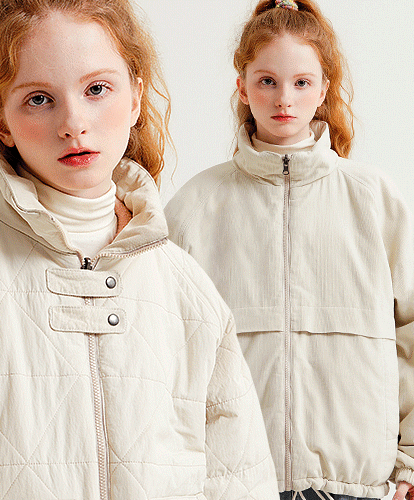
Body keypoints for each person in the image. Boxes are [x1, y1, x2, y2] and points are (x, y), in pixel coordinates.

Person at [0, 0, 279, 498]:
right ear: (0, 120)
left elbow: (239, 477)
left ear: (135, 98)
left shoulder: (185, 285)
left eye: (96, 89)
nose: (73, 122)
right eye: (39, 99)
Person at [165, 0, 414, 499]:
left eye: (302, 82)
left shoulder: (374, 199)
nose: (284, 99)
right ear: (242, 87)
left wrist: (410, 460)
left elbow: (411, 334)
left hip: (358, 487)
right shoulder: (195, 205)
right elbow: (164, 354)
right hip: (233, 486)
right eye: (267, 81)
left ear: (323, 89)